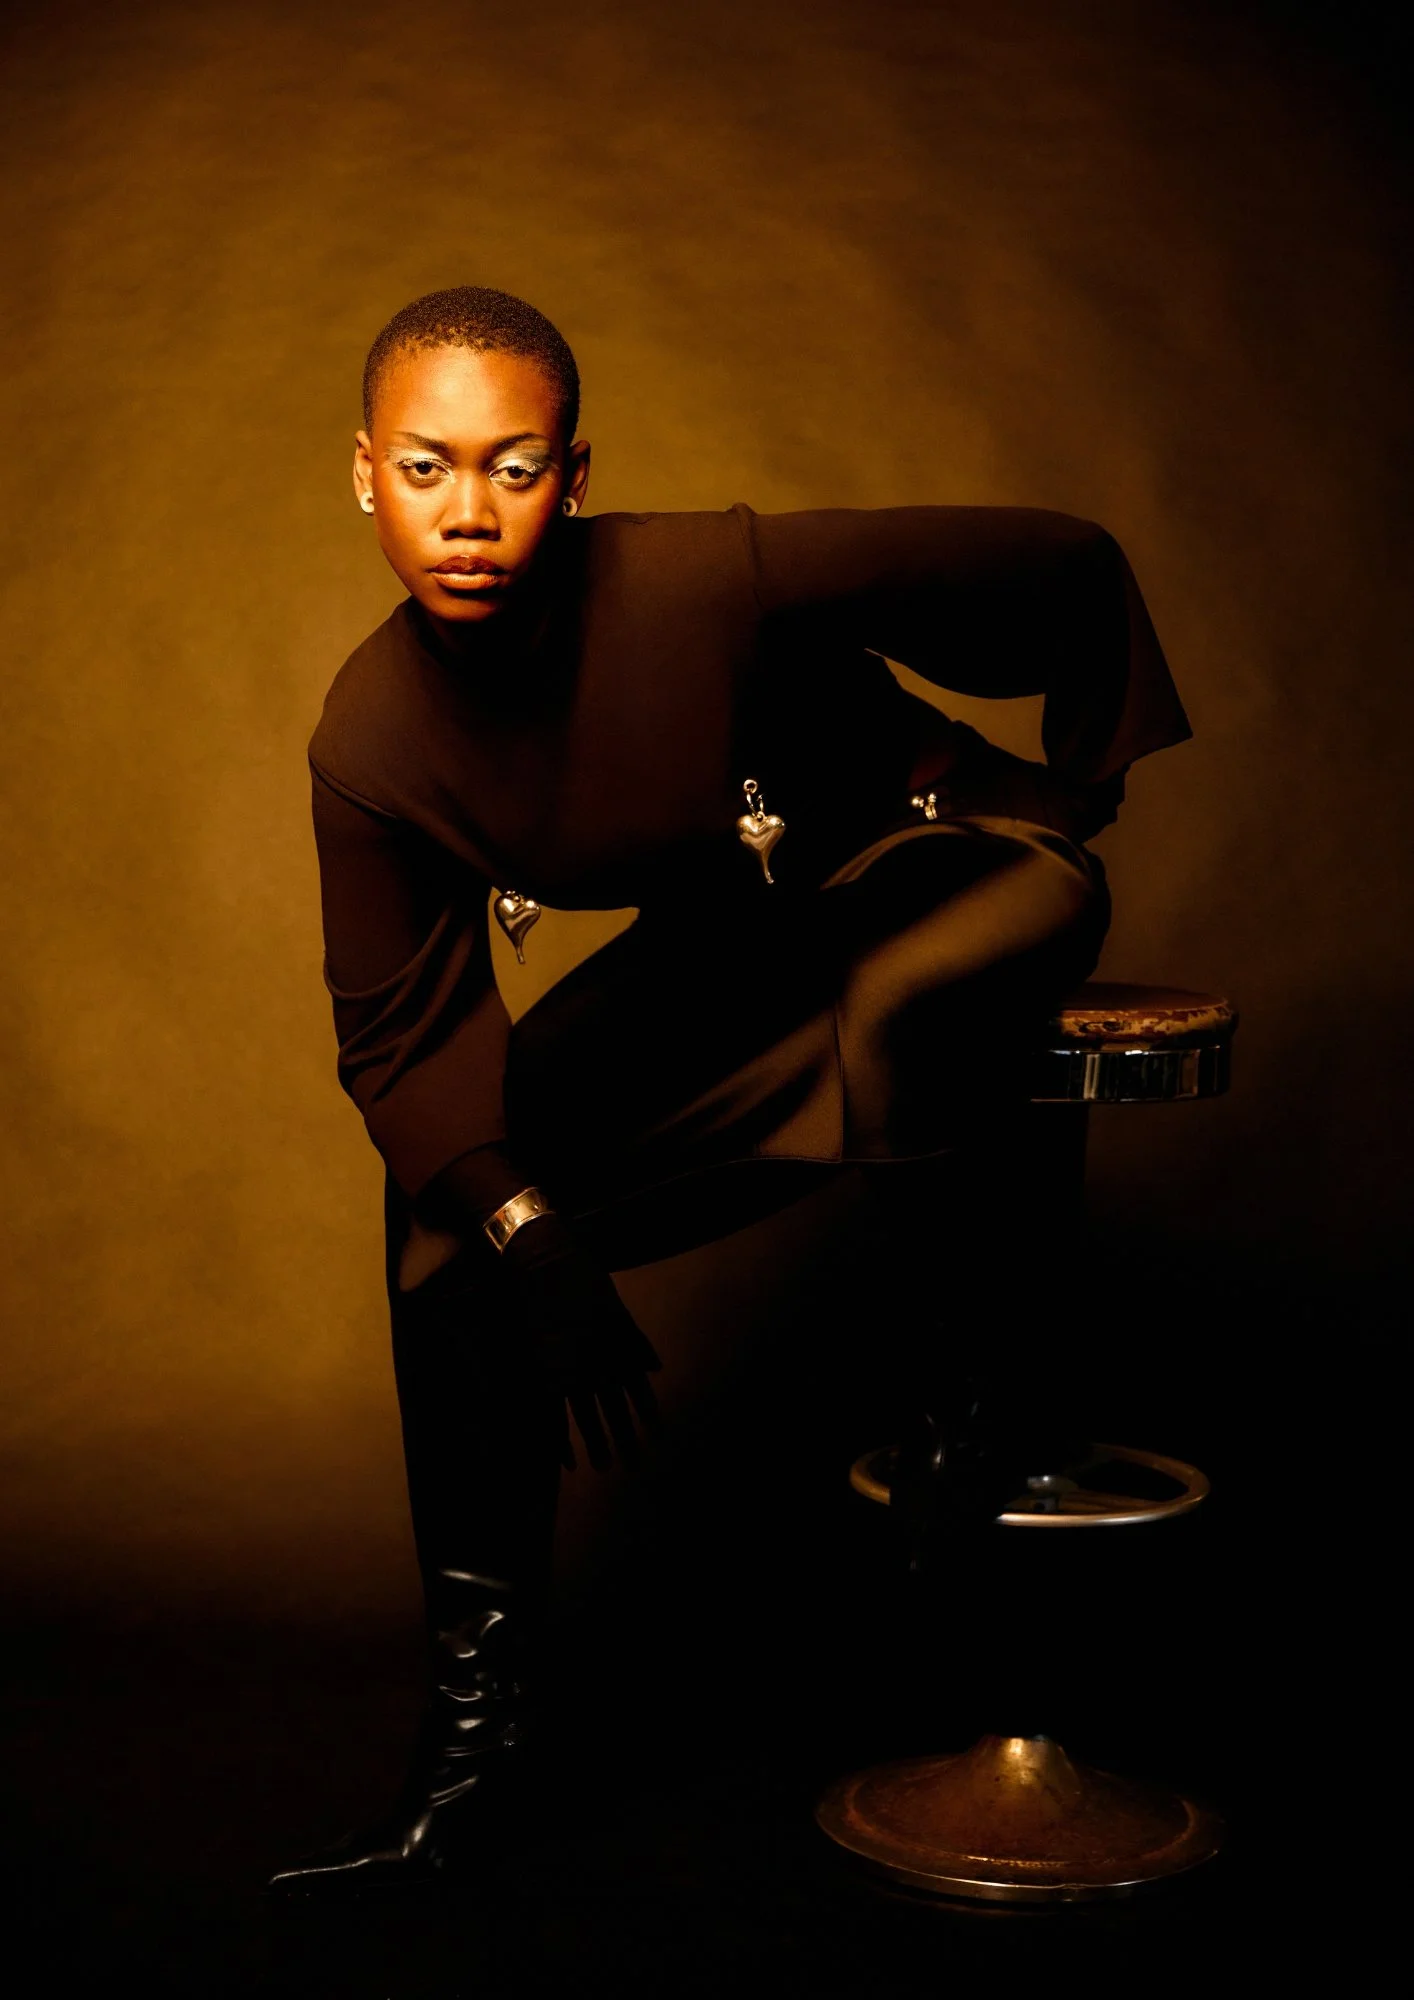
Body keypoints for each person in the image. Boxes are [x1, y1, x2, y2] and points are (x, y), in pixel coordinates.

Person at [268, 287, 1189, 1891]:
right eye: (427, 468)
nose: (468, 515)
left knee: (899, 1007)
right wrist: (531, 1236)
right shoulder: (372, 737)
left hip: (948, 866)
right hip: (763, 932)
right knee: (450, 1227)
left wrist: (1078, 777)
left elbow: (1053, 553)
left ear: (572, 473)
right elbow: (401, 1037)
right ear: (364, 474)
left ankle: (963, 1404)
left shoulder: (694, 574)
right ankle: (474, 1755)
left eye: (516, 466)